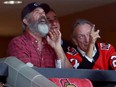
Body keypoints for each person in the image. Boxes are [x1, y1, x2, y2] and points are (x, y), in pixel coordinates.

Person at [7, 2, 72, 68]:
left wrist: (58, 48)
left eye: (43, 12)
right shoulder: (18, 43)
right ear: (26, 21)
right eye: (37, 12)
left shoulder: (50, 44)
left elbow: (69, 74)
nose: (43, 15)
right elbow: (27, 73)